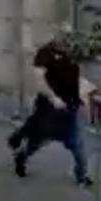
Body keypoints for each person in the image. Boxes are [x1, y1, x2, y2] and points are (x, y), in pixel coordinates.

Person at [7, 39, 94, 186]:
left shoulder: (71, 60)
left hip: (69, 109)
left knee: (76, 144)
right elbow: (38, 81)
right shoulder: (45, 56)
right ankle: (21, 157)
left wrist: (83, 97)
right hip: (49, 110)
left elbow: (76, 81)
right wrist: (53, 98)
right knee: (37, 141)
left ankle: (81, 175)